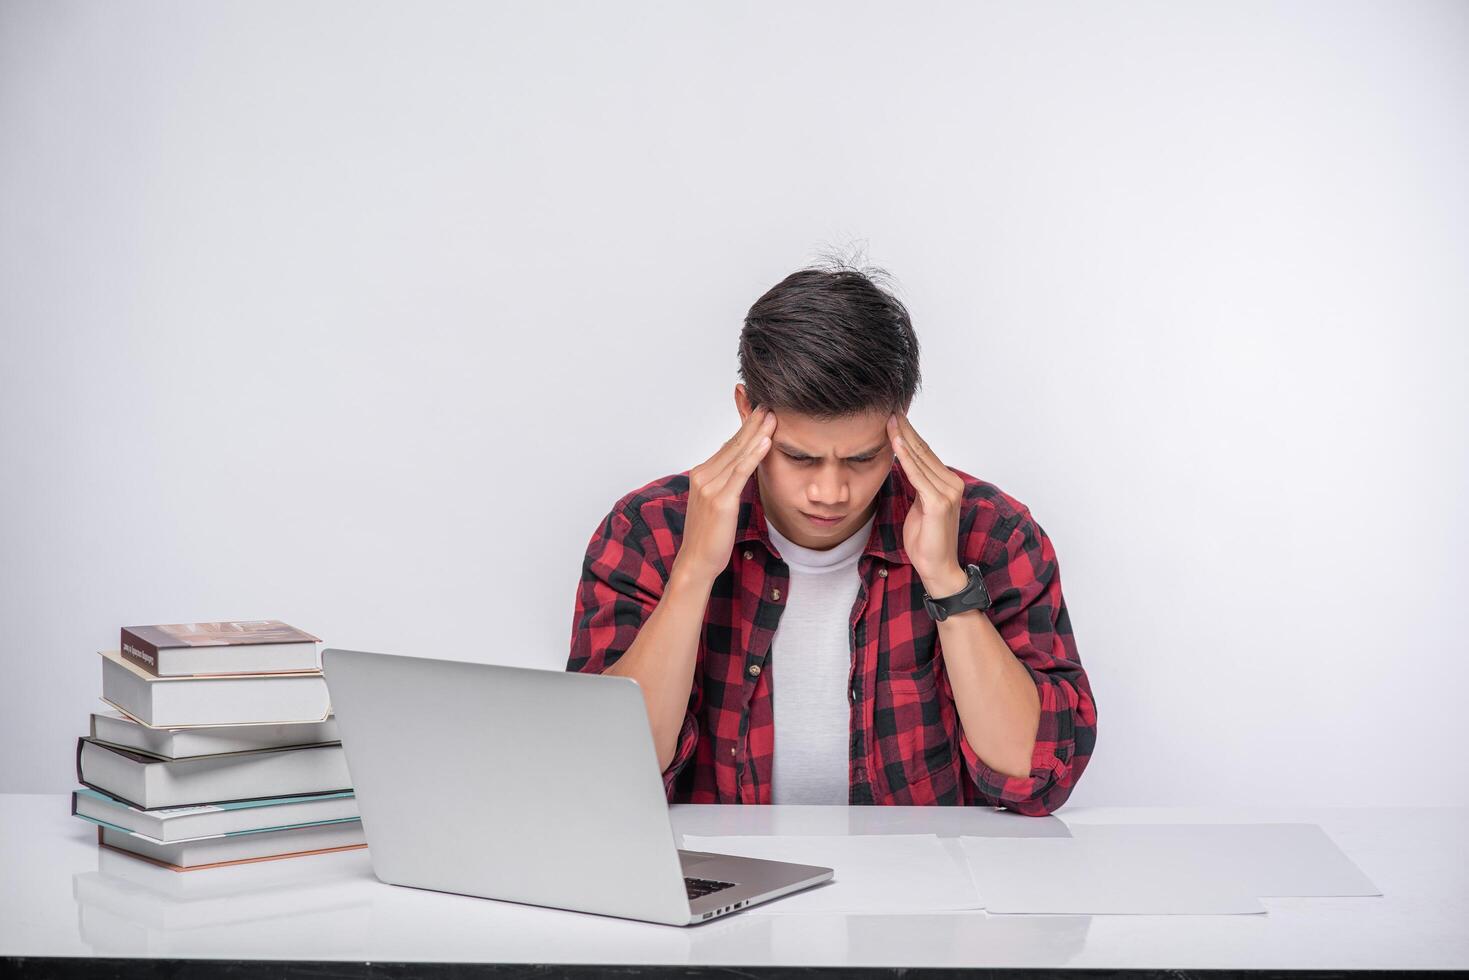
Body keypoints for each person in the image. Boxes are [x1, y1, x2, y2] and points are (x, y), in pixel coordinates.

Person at [565, 257, 1097, 815]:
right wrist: (694, 572)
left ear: (901, 417)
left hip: (923, 890)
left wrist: (947, 582)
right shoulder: (650, 531)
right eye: (799, 456)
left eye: (862, 458)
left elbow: (1035, 779)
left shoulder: (990, 532)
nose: (830, 492)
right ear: (748, 411)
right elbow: (609, 780)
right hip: (722, 891)